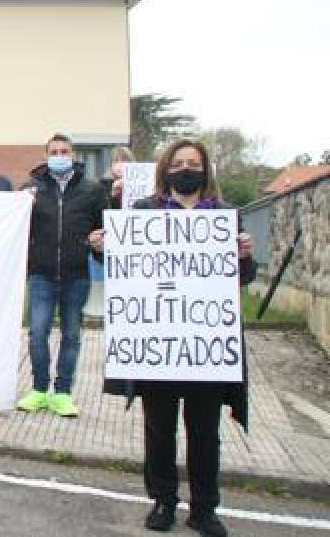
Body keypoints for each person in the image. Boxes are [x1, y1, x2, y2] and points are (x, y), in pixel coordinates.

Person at [97, 139, 254, 537]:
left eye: (194, 163)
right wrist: (102, 247)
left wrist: (245, 257)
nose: (186, 169)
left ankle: (204, 508)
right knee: (159, 428)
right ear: (166, 169)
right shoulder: (145, 212)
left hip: (204, 347)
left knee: (205, 432)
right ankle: (163, 500)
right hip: (158, 346)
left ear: (206, 170)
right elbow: (124, 264)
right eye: (179, 163)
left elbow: (242, 279)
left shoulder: (223, 216)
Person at [15, 133, 107, 418]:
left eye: (64, 151)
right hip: (41, 274)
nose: (59, 155)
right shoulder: (30, 188)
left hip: (76, 275)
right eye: (53, 151)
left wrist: (98, 247)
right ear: (46, 155)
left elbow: (104, 231)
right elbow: (16, 230)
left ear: (73, 154)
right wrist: (22, 206)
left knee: (71, 336)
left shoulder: (91, 191)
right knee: (37, 334)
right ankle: (40, 389)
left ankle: (63, 393)